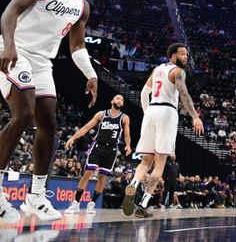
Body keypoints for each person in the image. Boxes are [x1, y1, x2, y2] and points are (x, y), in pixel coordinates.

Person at [0, 0, 97, 223]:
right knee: (24, 116)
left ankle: (36, 197)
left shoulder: (83, 6)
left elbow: (76, 46)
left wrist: (91, 74)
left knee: (49, 125)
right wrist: (8, 44)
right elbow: (11, 11)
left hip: (42, 61)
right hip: (15, 50)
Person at [122, 43, 204, 218]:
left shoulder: (157, 69)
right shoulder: (178, 72)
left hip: (151, 111)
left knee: (145, 162)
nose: (186, 58)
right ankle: (143, 204)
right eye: (183, 54)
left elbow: (144, 93)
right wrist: (195, 116)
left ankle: (133, 185)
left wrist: (147, 114)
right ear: (173, 54)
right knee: (159, 163)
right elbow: (184, 94)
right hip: (167, 112)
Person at [64, 94, 131, 214]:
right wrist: (73, 138)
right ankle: (76, 203)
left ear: (123, 104)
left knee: (102, 177)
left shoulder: (124, 118)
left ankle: (92, 203)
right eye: (117, 98)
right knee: (88, 173)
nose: (119, 100)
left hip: (111, 150)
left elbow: (127, 134)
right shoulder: (102, 114)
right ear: (112, 100)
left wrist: (128, 145)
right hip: (98, 147)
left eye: (122, 99)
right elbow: (86, 127)